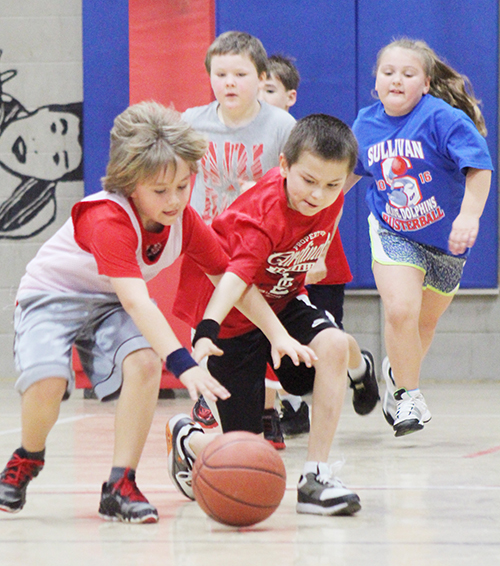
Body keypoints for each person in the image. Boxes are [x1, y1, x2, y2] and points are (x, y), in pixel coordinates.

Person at [0, 101, 237, 523]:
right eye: (160, 191)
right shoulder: (107, 217)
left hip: (107, 302)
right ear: (130, 183)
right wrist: (183, 364)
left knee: (145, 363)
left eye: (183, 186)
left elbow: (230, 277)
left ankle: (119, 484)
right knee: (48, 380)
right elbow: (136, 300)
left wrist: (277, 333)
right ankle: (28, 456)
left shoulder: (184, 221)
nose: (174, 200)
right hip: (52, 295)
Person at [169, 114, 371, 516]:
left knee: (331, 343)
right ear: (283, 166)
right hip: (230, 315)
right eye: (308, 181)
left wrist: (312, 262)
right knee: (244, 451)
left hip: (281, 297)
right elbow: (236, 282)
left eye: (333, 185)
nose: (319, 194)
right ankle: (187, 438)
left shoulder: (331, 196)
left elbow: (322, 225)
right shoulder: (261, 217)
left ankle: (315, 477)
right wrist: (209, 327)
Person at [347, 38, 493, 437]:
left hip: (445, 241)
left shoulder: (443, 118)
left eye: (408, 74)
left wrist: (468, 215)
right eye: (388, 72)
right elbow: (346, 176)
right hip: (393, 230)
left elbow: (479, 168)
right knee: (400, 311)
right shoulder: (366, 124)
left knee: (423, 325)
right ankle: (408, 395)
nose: (396, 80)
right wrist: (316, 217)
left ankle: (398, 371)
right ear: (375, 82)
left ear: (426, 83)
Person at [181, 31, 297, 447]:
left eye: (240, 74)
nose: (229, 82)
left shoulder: (281, 126)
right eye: (220, 73)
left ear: (262, 77)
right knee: (211, 331)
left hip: (260, 248)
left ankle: (268, 411)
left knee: (260, 334)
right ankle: (210, 403)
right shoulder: (192, 122)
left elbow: (301, 189)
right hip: (207, 244)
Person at [259, 55, 379, 438]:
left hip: (314, 259)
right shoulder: (245, 139)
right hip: (275, 263)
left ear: (290, 96)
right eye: (256, 88)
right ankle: (291, 406)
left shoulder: (311, 142)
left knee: (329, 341)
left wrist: (320, 252)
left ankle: (360, 369)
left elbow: (339, 197)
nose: (259, 96)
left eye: (269, 89)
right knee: (274, 338)